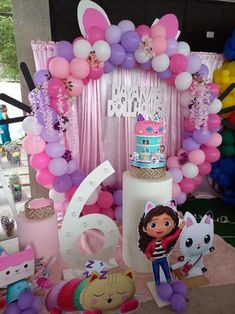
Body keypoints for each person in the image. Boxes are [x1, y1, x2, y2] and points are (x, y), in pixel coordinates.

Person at [138, 201, 185, 286]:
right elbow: (147, 251)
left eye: (166, 223)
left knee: (166, 271)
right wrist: (150, 257)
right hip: (155, 260)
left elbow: (174, 236)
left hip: (163, 259)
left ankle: (169, 282)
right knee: (156, 273)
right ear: (144, 229)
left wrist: (180, 228)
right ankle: (157, 285)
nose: (160, 228)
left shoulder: (165, 240)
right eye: (153, 225)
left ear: (174, 225)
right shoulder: (151, 243)